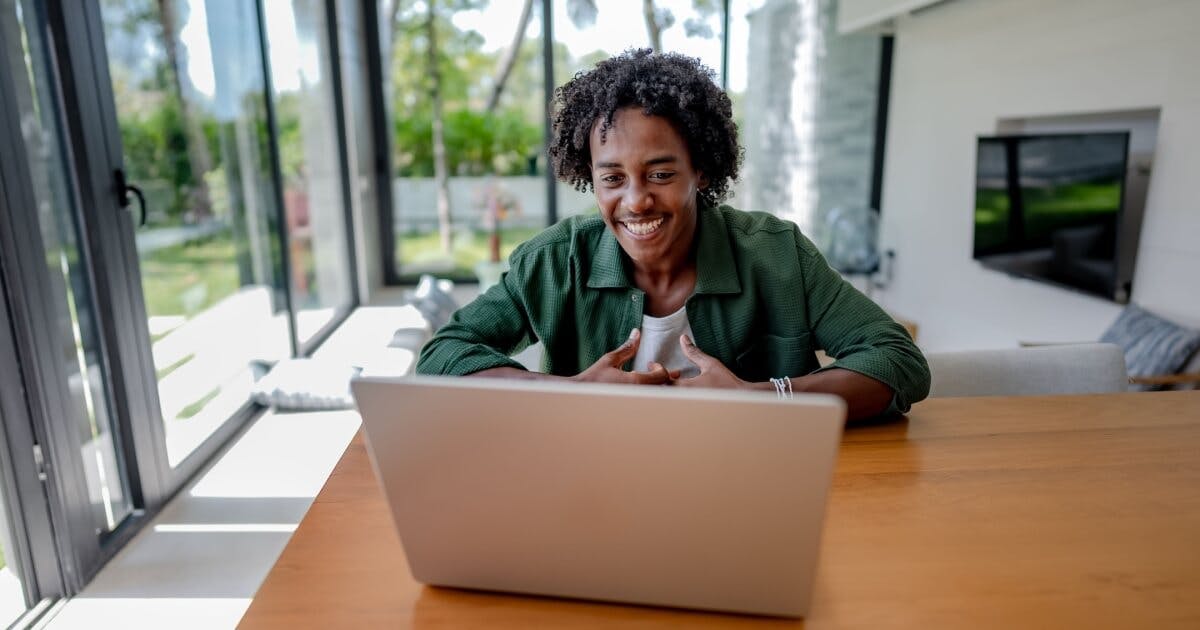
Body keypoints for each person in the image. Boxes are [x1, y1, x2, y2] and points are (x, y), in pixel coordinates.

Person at [417, 49, 929, 420]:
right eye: (612, 179)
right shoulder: (554, 261)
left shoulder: (776, 254)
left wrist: (765, 396)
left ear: (700, 171)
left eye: (661, 174)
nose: (636, 201)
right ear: (590, 178)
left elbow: (898, 361)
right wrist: (566, 391)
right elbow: (443, 355)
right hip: (593, 492)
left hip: (747, 484)